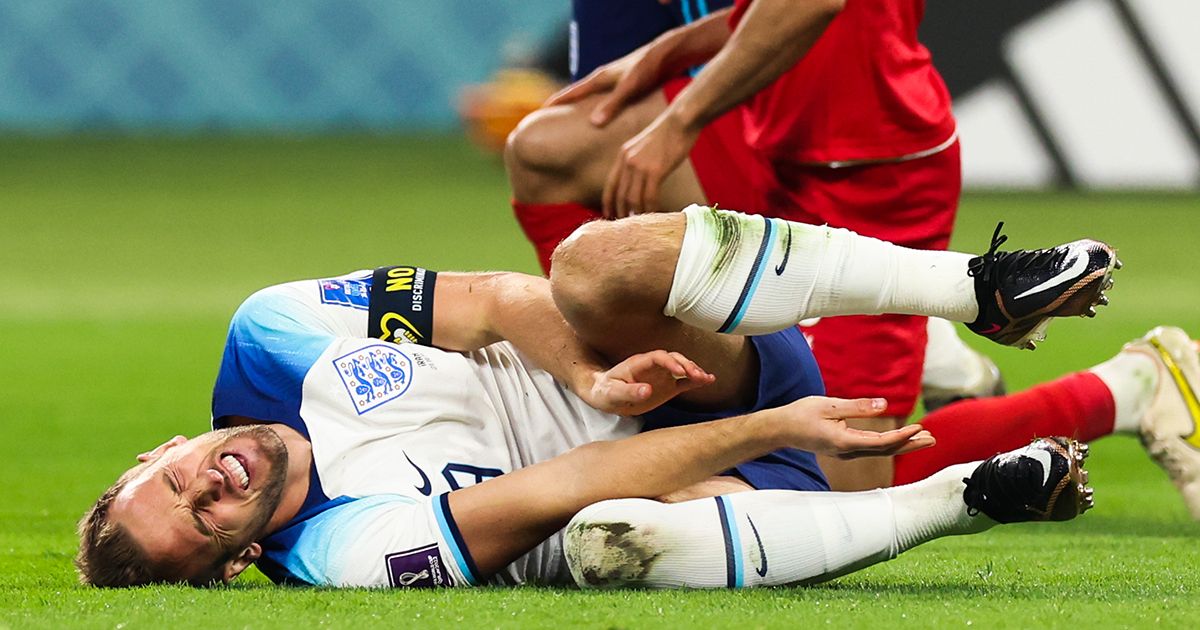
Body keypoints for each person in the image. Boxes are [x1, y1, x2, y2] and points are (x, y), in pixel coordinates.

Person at [75, 209, 1128, 588]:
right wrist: (766, 431)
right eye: (205, 518)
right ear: (240, 558)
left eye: (176, 476)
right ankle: (970, 498)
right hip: (693, 479)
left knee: (584, 268)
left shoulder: (270, 335)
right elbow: (571, 482)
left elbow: (491, 300)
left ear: (169, 443)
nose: (210, 482)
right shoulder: (343, 552)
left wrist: (588, 374)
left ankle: (979, 291)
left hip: (684, 364)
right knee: (609, 540)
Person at [506, 0, 1013, 490]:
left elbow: (806, 5)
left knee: (840, 480)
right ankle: (656, 393)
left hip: (872, 167)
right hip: (774, 137)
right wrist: (666, 51)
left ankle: (1082, 399)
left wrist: (677, 124)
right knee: (545, 147)